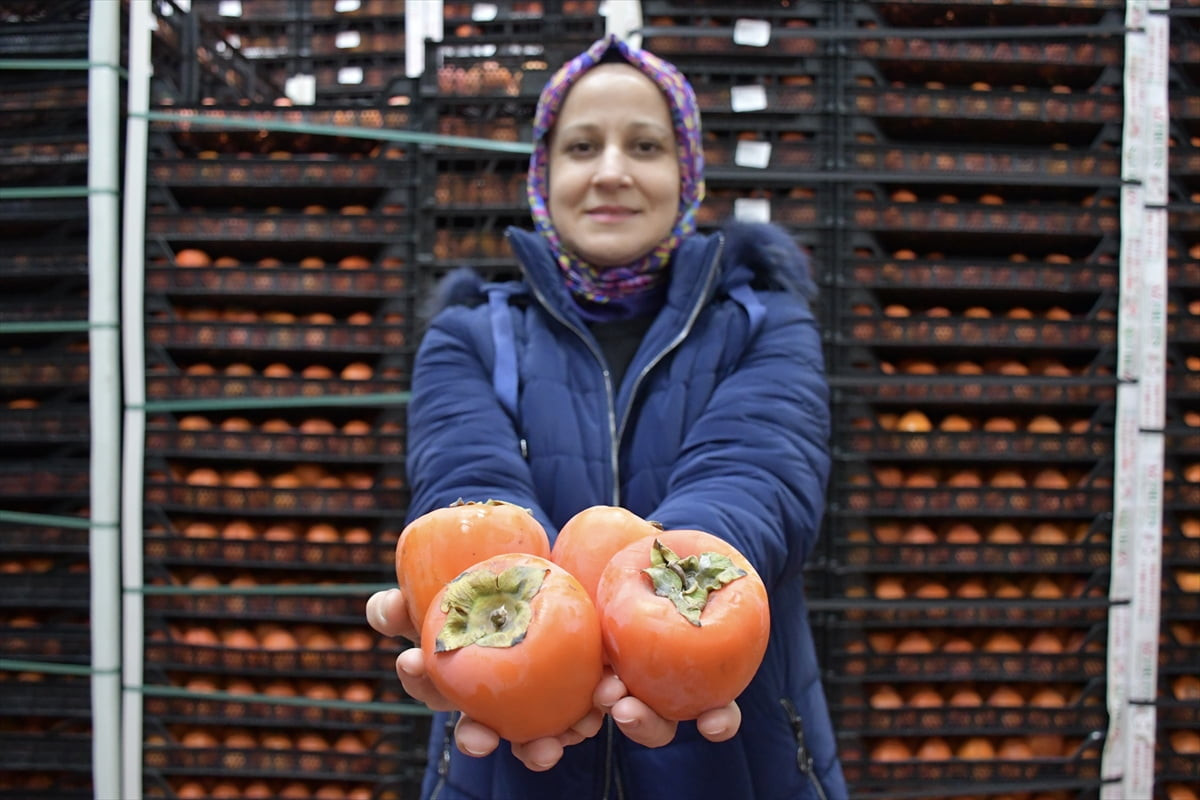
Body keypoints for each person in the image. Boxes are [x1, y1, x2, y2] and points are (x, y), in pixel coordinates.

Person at [366, 33, 846, 800]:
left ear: (687, 171)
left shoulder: (764, 323)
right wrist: (508, 615)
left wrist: (672, 598)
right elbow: (466, 484)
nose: (611, 171)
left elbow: (758, 476)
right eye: (582, 146)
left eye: (645, 146)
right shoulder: (468, 337)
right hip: (512, 763)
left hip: (735, 766)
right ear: (544, 173)